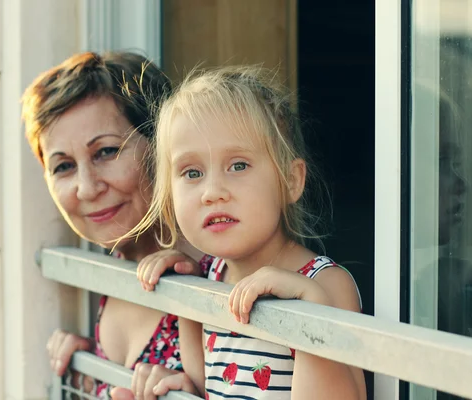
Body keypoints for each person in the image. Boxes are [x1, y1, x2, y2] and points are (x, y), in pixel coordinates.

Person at [118, 66, 366, 399]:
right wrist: (188, 291)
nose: (212, 191)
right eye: (192, 172)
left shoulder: (325, 284)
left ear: (290, 181)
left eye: (238, 165)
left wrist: (310, 306)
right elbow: (206, 385)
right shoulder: (212, 276)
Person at [22, 51, 211, 399]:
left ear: (162, 145)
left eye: (107, 151)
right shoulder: (116, 268)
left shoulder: (224, 277)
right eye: (63, 166)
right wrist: (88, 365)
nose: (87, 187)